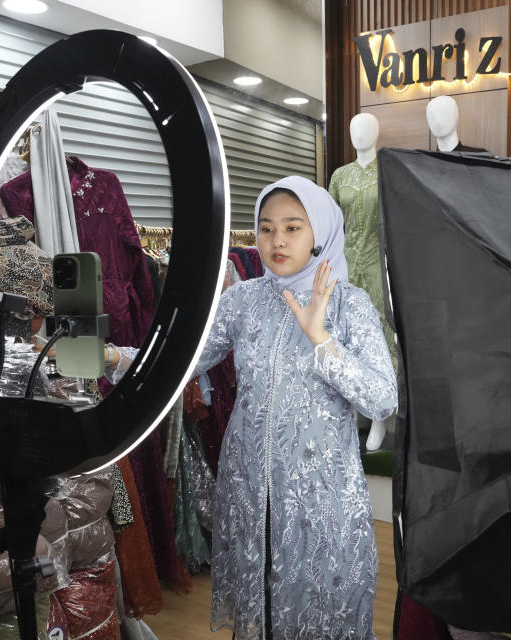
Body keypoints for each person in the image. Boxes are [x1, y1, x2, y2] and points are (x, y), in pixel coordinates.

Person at [68, 175, 397, 639]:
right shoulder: (243, 301)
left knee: (319, 605)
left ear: (319, 232)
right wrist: (113, 357)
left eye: (292, 227)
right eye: (265, 228)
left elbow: (382, 398)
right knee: (258, 602)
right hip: (247, 488)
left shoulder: (349, 305)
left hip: (319, 497)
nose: (276, 241)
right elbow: (182, 361)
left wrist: (320, 338)